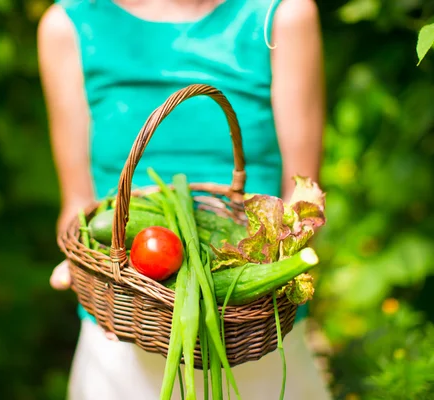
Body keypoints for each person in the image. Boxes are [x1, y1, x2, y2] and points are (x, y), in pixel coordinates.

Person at [37, 0, 330, 398]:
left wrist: (276, 260)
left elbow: (303, 195)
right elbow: (77, 205)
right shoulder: (68, 26)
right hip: (122, 337)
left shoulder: (282, 13)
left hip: (256, 336)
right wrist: (78, 260)